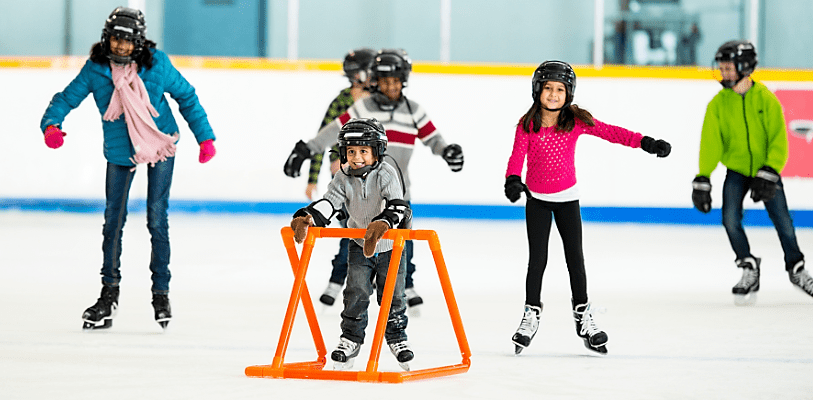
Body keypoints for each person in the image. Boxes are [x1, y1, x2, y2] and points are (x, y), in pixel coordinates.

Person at [40, 7, 217, 331]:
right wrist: (52, 124)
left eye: (126, 41)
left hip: (160, 145)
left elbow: (187, 97)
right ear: (107, 38)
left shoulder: (157, 63)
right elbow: (66, 98)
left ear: (138, 42)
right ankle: (109, 295)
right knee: (113, 221)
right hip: (121, 152)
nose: (120, 47)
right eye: (115, 40)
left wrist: (204, 138)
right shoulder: (96, 69)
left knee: (156, 218)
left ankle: (160, 292)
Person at [504, 60, 671, 355]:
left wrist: (646, 142)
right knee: (537, 260)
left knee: (575, 260)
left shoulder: (575, 121)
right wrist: (513, 180)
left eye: (560, 89)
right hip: (537, 201)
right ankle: (531, 314)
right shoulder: (526, 125)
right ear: (537, 91)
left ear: (569, 93)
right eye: (548, 88)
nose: (554, 94)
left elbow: (611, 132)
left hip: (568, 199)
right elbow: (517, 156)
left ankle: (583, 316)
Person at [284, 48, 465, 315]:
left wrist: (447, 151)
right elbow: (335, 129)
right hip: (360, 192)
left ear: (403, 81)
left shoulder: (414, 111)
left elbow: (433, 139)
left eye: (395, 81)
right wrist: (306, 149)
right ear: (375, 81)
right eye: (384, 81)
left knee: (403, 242)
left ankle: (404, 284)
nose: (390, 87)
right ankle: (343, 283)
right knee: (354, 236)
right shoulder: (364, 108)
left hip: (398, 194)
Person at [692, 40, 813, 306]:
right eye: (721, 68)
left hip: (765, 171)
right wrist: (703, 176)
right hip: (736, 170)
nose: (723, 73)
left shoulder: (766, 100)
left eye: (728, 68)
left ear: (744, 67)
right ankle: (748, 265)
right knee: (730, 218)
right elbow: (711, 143)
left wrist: (770, 171)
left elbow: (779, 140)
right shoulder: (718, 105)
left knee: (783, 222)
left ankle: (796, 268)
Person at [290, 118, 414, 371]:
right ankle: (351, 339)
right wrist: (309, 218)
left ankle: (397, 338)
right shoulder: (342, 177)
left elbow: (399, 206)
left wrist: (382, 225)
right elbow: (330, 202)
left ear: (377, 151)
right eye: (351, 151)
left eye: (363, 151)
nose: (356, 157)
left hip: (392, 246)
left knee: (393, 295)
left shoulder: (386, 173)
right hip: (359, 243)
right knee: (355, 292)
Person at [283, 47, 377, 308]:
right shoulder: (342, 101)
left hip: (378, 179)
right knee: (352, 231)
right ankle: (337, 282)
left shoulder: (380, 101)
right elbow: (323, 137)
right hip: (346, 178)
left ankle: (395, 283)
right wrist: (312, 178)